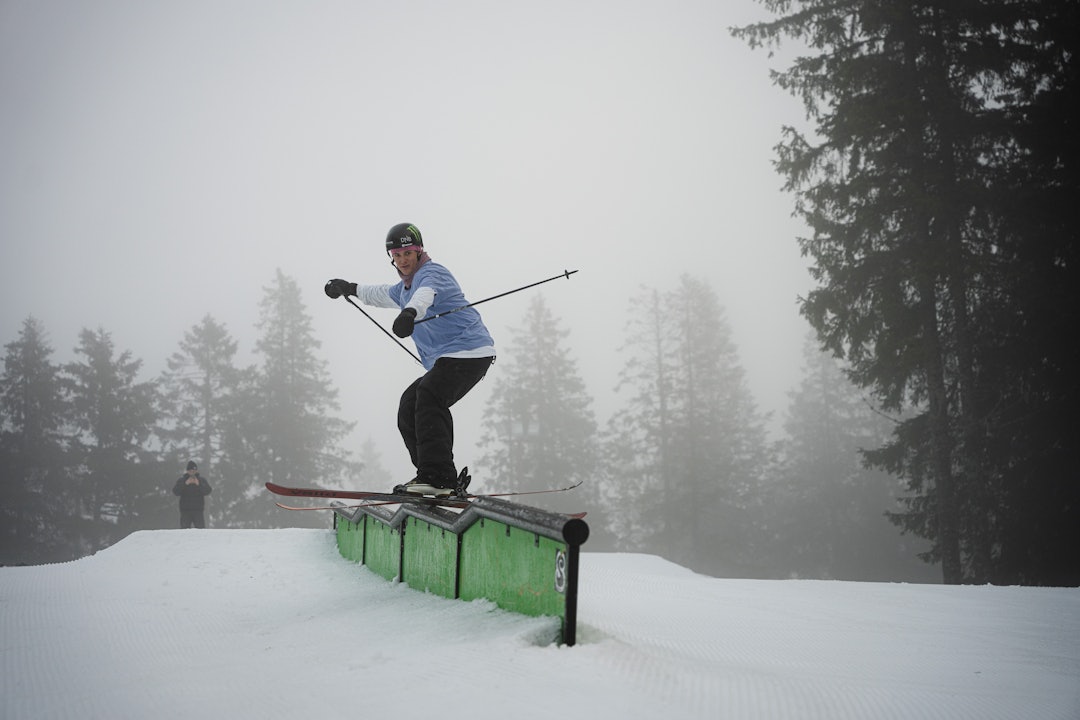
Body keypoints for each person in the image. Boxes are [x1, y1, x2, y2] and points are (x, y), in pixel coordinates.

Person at [325, 222, 495, 498]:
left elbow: (424, 296)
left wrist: (409, 314)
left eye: (408, 253)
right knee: (410, 403)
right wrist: (349, 287)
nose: (403, 260)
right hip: (449, 358)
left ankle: (438, 477)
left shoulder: (433, 273)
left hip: (469, 352)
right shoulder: (404, 288)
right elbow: (379, 294)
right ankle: (431, 478)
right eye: (397, 255)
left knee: (429, 394)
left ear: (418, 252)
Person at [173, 460, 212, 528]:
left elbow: (208, 491)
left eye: (193, 471)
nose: (192, 472)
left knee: (201, 531)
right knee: (184, 531)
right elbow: (176, 492)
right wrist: (185, 484)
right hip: (185, 511)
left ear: (196, 471)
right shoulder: (182, 480)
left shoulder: (201, 480)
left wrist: (199, 484)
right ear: (187, 471)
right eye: (190, 471)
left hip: (198, 511)